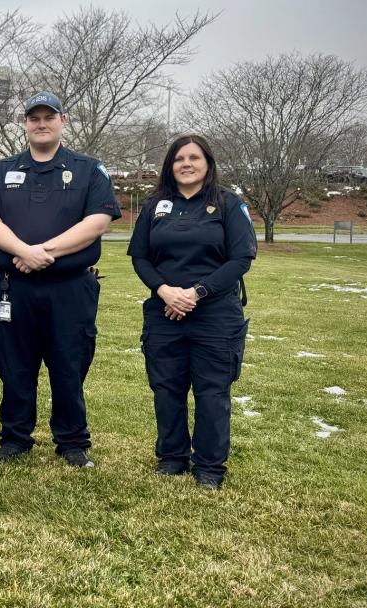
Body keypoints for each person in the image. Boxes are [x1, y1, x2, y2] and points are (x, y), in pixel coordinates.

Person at [0, 92, 121, 468]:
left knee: (68, 364)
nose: (41, 123)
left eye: (49, 117)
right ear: (24, 124)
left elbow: (97, 223)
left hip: (70, 288)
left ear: (63, 121)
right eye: (33, 117)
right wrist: (22, 252)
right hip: (14, 287)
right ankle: (14, 439)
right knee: (14, 365)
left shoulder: (89, 169)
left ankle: (72, 442)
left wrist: (44, 252)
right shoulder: (0, 170)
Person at [126, 134, 257, 489]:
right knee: (166, 388)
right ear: (170, 166)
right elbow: (139, 257)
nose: (186, 164)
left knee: (212, 391)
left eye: (194, 158)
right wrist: (165, 291)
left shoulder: (228, 204)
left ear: (208, 164)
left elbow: (241, 257)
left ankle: (210, 467)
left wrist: (197, 293)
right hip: (164, 311)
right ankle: (172, 457)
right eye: (178, 158)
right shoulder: (155, 206)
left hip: (215, 313)